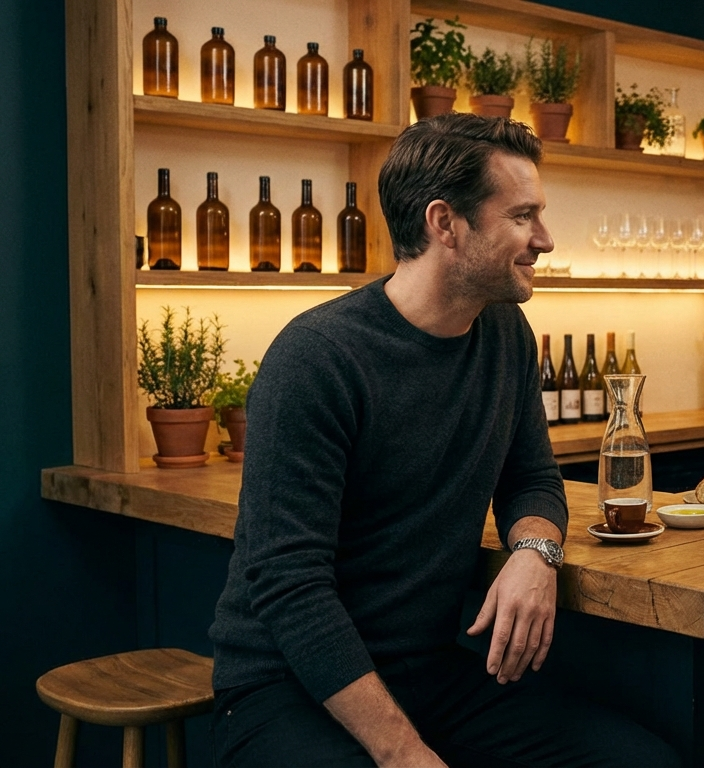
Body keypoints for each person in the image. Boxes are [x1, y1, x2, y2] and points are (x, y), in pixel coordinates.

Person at [208, 114, 679, 768]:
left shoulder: (506, 334)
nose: (544, 239)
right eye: (522, 216)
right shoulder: (317, 358)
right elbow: (290, 585)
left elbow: (531, 478)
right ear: (444, 222)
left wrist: (536, 553)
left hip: (427, 671)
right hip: (291, 687)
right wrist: (403, 752)